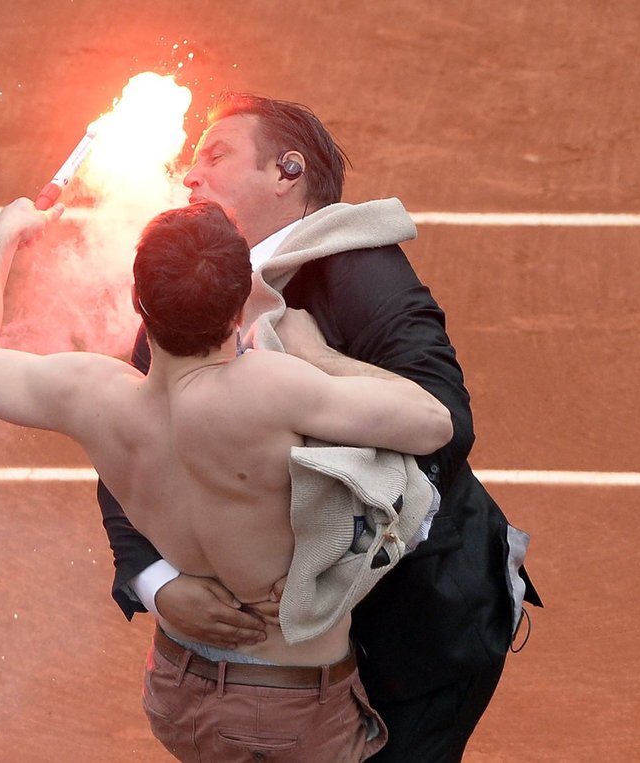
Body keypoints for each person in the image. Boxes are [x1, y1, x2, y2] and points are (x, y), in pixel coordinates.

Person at [96, 93, 543, 762]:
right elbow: (131, 442)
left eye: (214, 157)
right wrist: (157, 581)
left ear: (287, 172)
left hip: (423, 625)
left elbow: (445, 419)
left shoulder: (360, 270)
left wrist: (329, 560)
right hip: (295, 667)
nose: (189, 176)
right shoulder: (190, 292)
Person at [0, 197, 457, 761]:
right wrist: (314, 354)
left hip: (175, 691)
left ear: (140, 303)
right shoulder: (270, 386)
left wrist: (5, 235)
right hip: (284, 710)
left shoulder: (90, 393)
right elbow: (433, 422)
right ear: (241, 303)